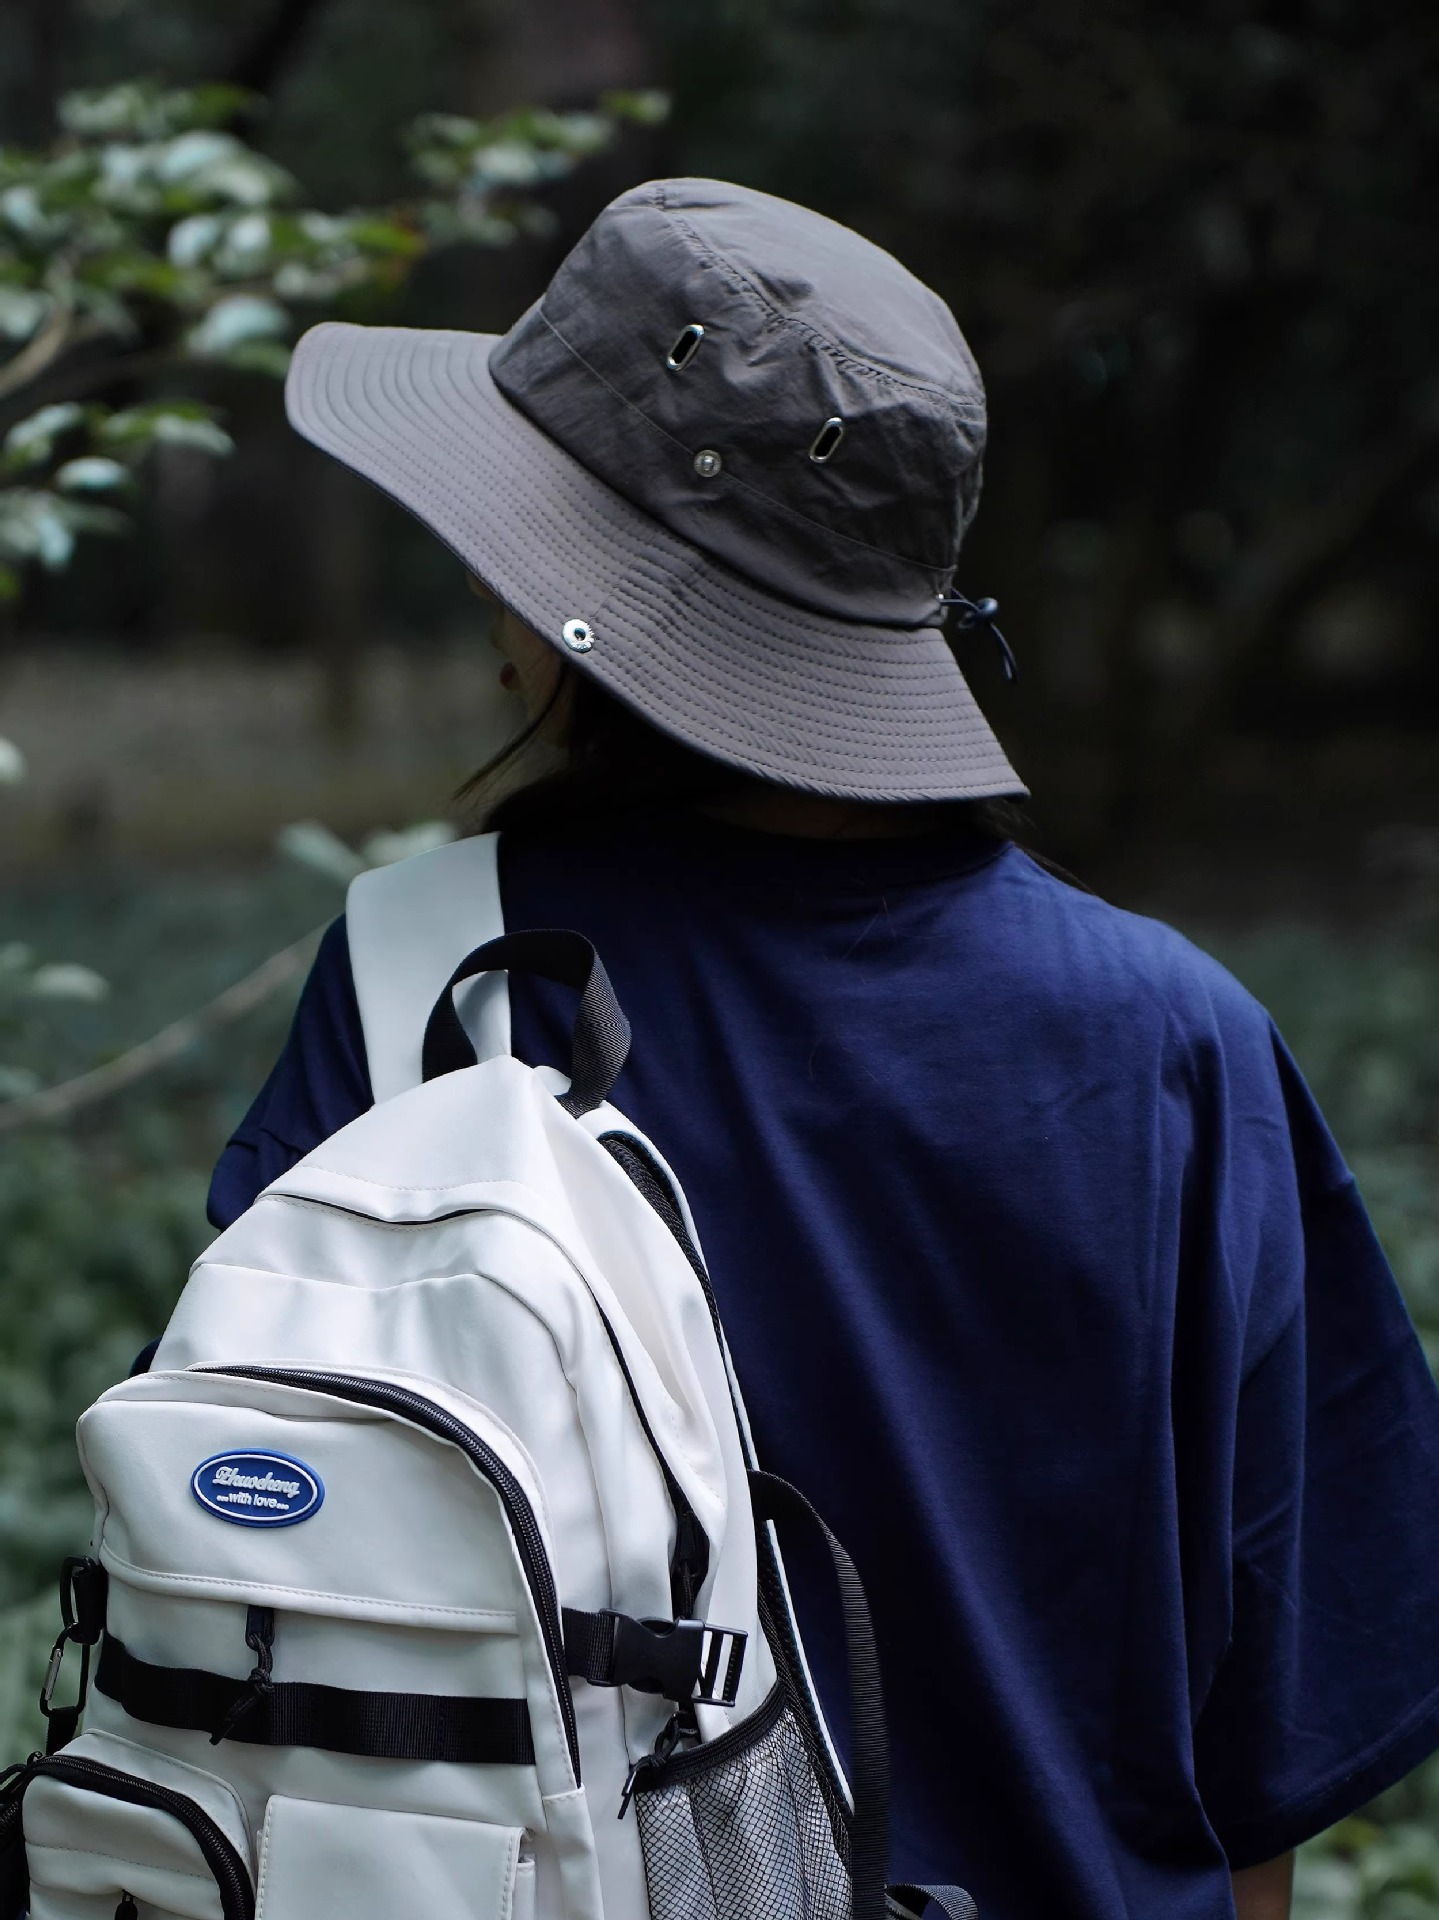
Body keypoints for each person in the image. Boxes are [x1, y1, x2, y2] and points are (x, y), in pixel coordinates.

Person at [209, 179, 1439, 1920]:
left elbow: (269, 1580)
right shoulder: (1179, 1047)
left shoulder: (444, 988)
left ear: (588, 597)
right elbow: (1267, 1757)